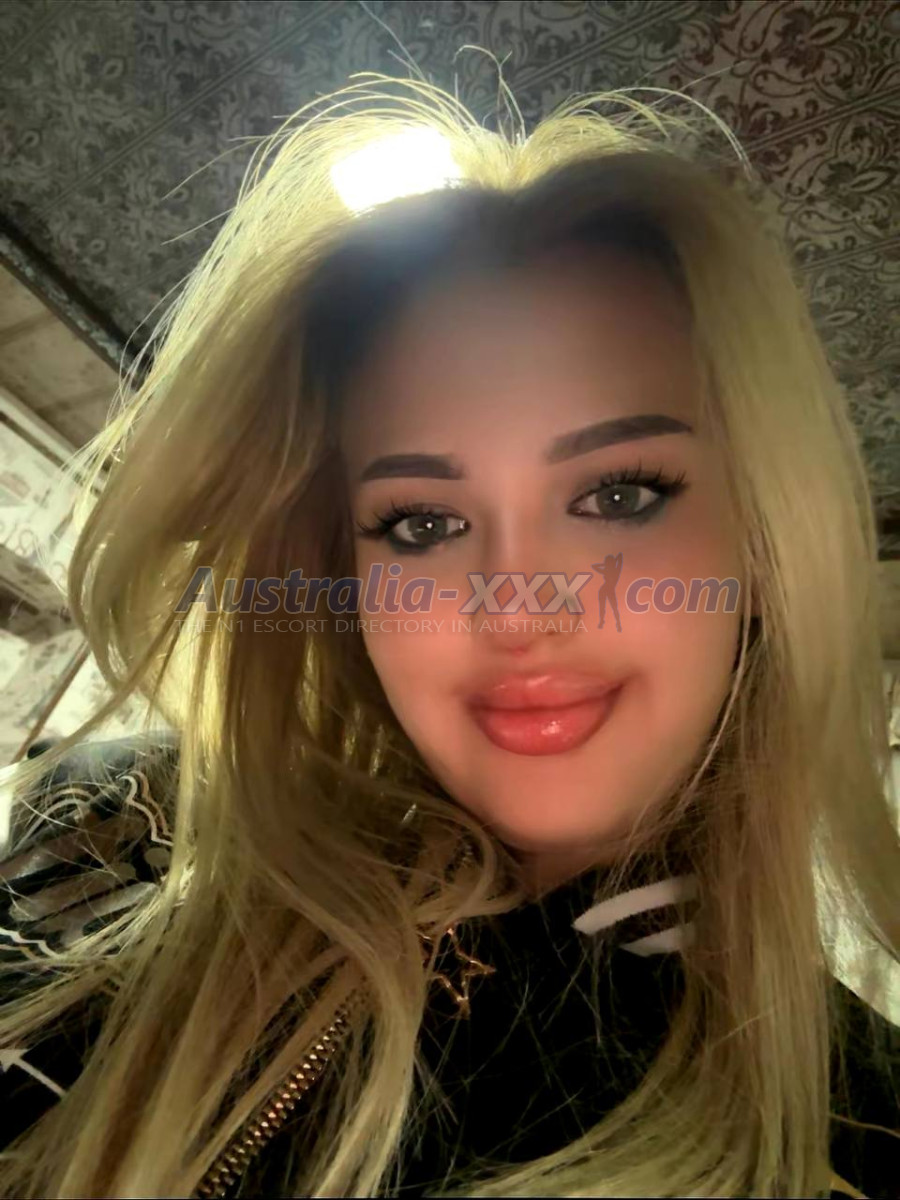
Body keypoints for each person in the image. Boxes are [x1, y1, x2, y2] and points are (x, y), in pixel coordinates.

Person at [0, 74, 897, 1199]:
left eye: (619, 494)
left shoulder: (863, 1126)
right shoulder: (115, 824)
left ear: (765, 542)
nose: (516, 610)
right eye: (422, 523)